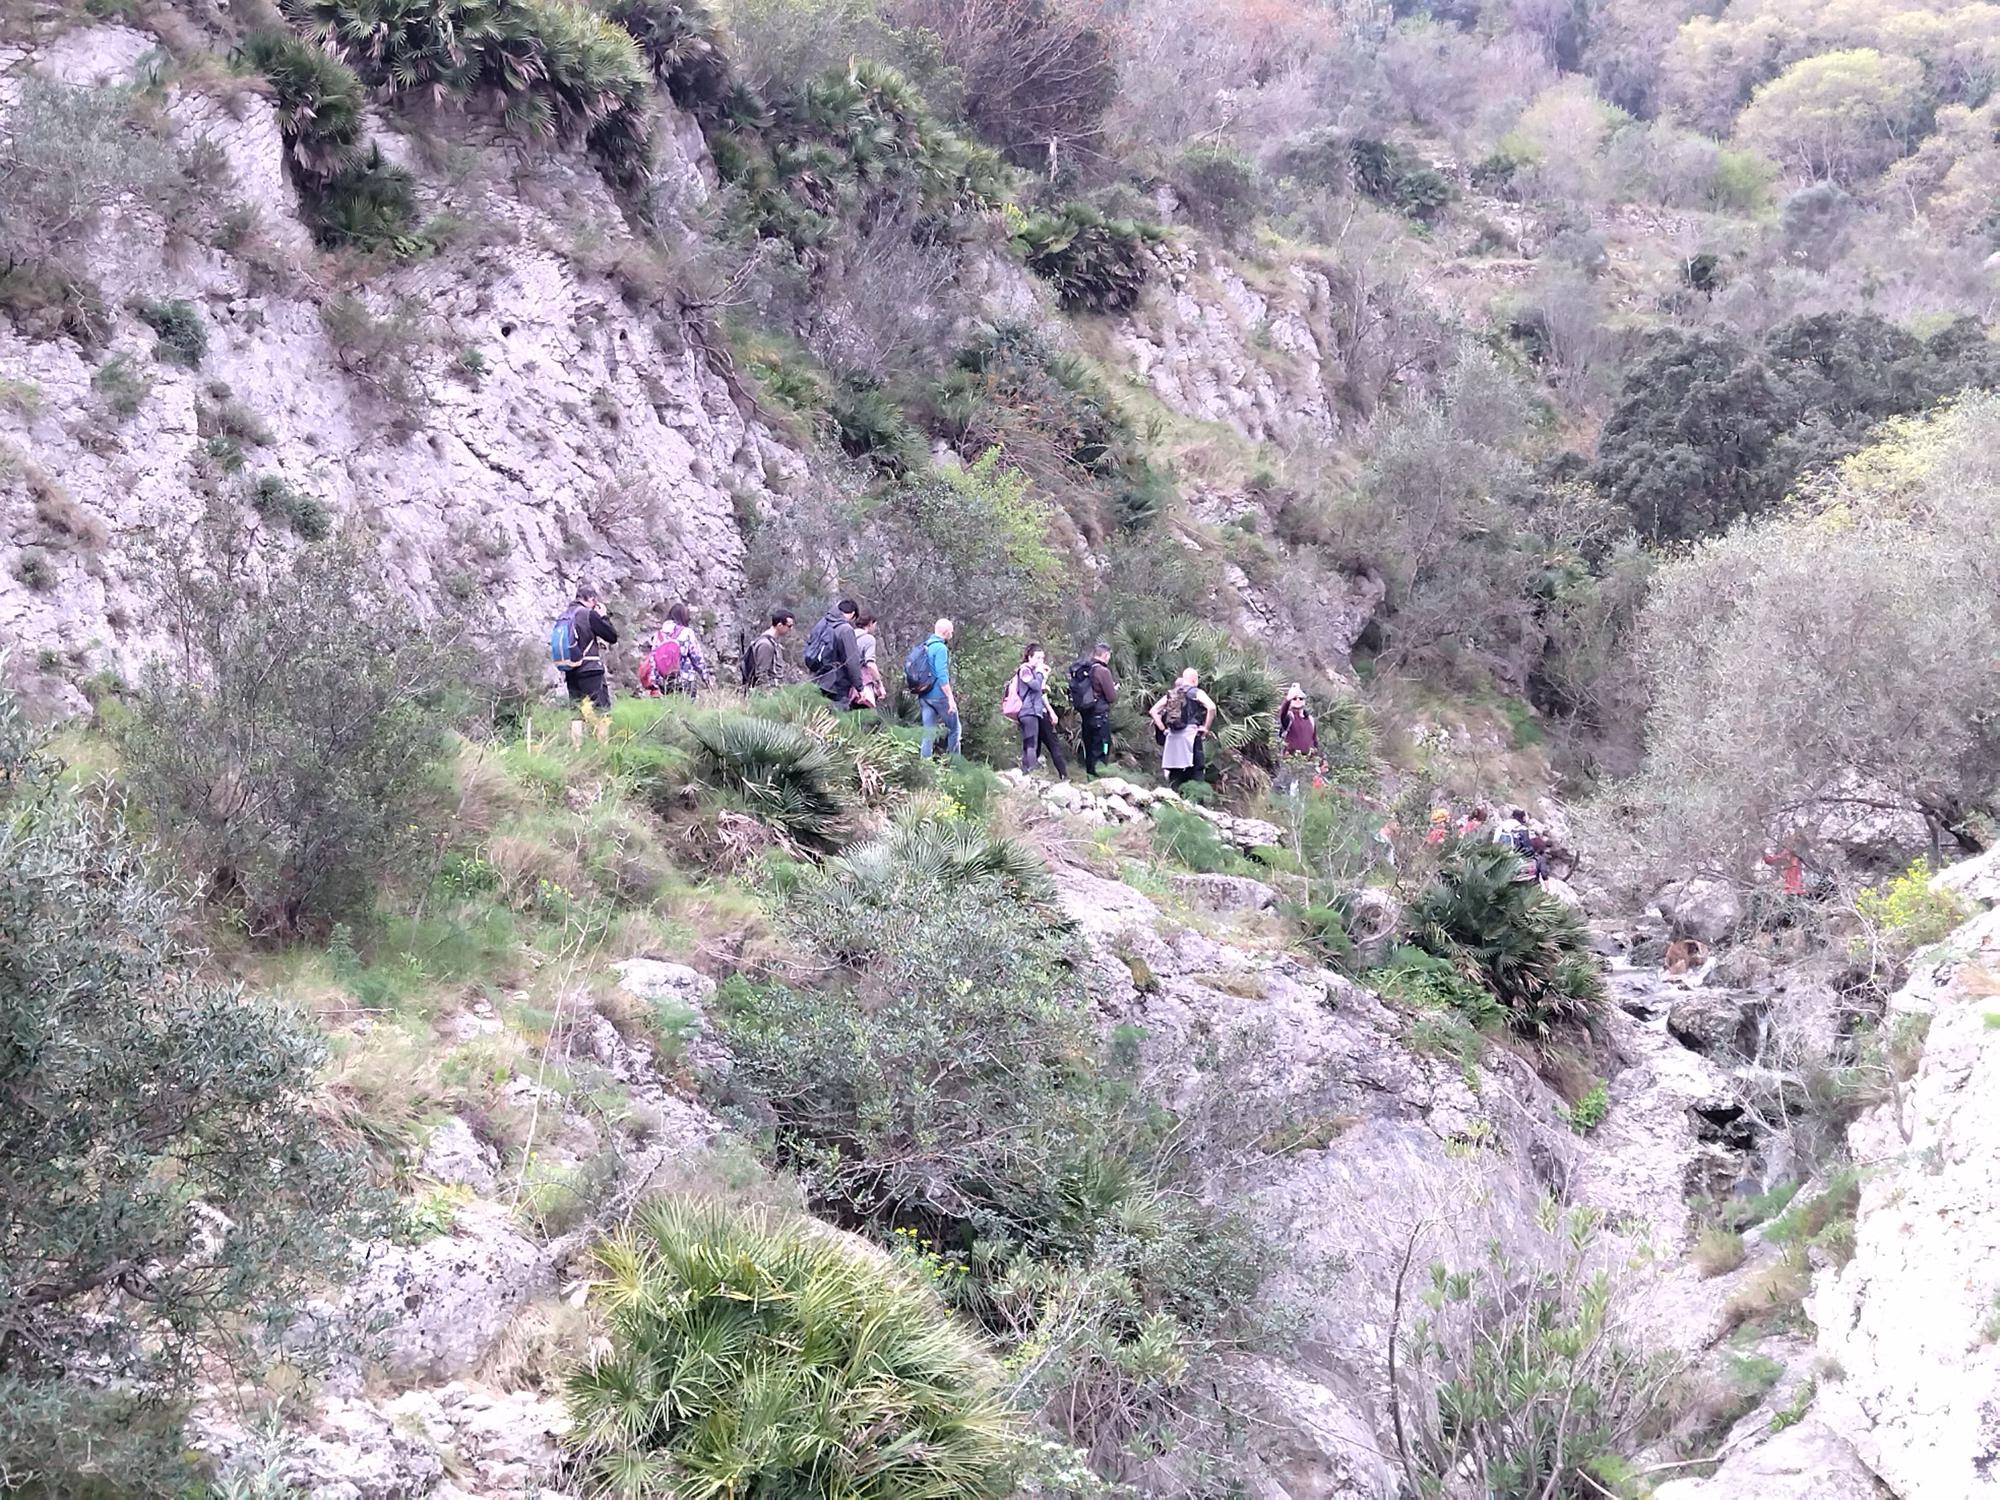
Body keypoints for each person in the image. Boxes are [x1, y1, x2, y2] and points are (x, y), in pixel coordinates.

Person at [552, 584, 618, 748]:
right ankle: (603, 749)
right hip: (590, 669)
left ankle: (577, 750)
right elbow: (611, 636)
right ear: (592, 599)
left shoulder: (564, 616)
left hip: (570, 669)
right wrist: (603, 617)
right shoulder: (588, 614)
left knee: (576, 712)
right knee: (601, 710)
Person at [1148, 668, 1216, 790]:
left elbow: (1153, 711)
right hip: (1190, 736)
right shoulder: (1196, 692)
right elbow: (1211, 707)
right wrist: (1205, 728)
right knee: (1196, 771)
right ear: (1194, 680)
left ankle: (1174, 802)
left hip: (1172, 739)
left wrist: (1164, 729)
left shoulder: (1172, 693)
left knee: (1175, 773)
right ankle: (1196, 804)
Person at [1009, 643, 1069, 779]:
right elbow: (1035, 686)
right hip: (1028, 712)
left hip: (1034, 711)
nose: (1040, 661)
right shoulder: (1025, 670)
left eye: (1042, 658)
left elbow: (1039, 691)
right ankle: (1031, 772)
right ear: (1029, 657)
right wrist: (1040, 674)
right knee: (1031, 743)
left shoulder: (1033, 671)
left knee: (1031, 743)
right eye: (1037, 658)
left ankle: (1027, 772)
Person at [803, 598, 867, 708]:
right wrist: (859, 687)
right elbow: (852, 661)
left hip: (816, 679)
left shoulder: (822, 623)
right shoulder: (845, 629)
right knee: (836, 719)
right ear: (852, 614)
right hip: (837, 685)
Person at [640, 601, 711, 698]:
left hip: (664, 682)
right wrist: (705, 678)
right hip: (685, 680)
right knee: (687, 710)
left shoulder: (659, 635)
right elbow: (697, 658)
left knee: (668, 710)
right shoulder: (687, 633)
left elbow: (653, 660)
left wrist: (654, 683)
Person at [1069, 642, 1117, 777]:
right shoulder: (1102, 671)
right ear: (1105, 654)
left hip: (1086, 716)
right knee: (1101, 749)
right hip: (1100, 717)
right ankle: (1100, 778)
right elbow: (1111, 697)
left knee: (1089, 750)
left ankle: (1090, 777)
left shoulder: (1085, 670)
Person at [913, 618, 959, 759]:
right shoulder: (940, 648)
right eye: (951, 630)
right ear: (946, 632)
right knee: (954, 729)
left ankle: (924, 766)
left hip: (924, 695)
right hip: (938, 696)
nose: (952, 633)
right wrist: (950, 699)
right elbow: (942, 675)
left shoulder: (925, 646)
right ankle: (956, 766)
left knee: (928, 732)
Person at [741, 608, 795, 688]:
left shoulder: (771, 642)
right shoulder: (766, 645)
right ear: (780, 625)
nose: (791, 629)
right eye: (789, 626)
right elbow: (761, 675)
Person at [853, 611, 884, 708]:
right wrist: (880, 684)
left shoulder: (848, 635)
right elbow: (870, 664)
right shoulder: (868, 639)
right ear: (870, 623)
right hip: (861, 685)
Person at [1278, 683, 1318, 757]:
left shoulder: (1311, 720)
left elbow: (1315, 741)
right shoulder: (1289, 717)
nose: (1298, 700)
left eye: (1301, 698)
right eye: (1294, 698)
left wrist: (1315, 756)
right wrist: (1288, 698)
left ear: (1304, 701)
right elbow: (1282, 713)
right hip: (1290, 761)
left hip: (1306, 762)